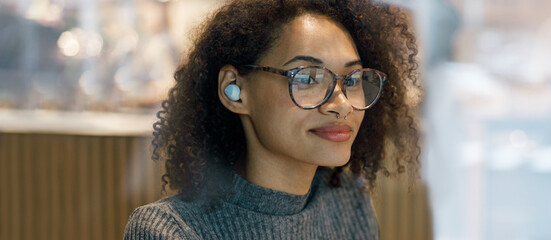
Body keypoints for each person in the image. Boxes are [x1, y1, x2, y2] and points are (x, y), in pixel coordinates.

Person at [123, 0, 420, 239]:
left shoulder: (349, 202)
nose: (341, 105)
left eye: (353, 80)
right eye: (308, 77)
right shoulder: (169, 230)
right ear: (235, 91)